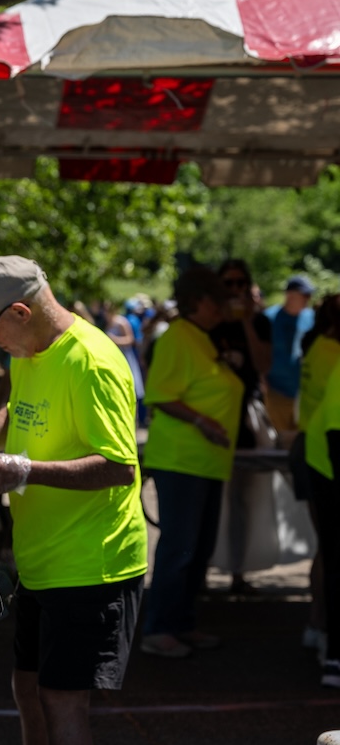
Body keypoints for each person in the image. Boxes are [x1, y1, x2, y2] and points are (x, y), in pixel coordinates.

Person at [0, 256, 147, 745]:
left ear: (21, 311)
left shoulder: (92, 360)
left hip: (93, 562)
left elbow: (119, 466)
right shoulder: (30, 350)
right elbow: (12, 411)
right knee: (27, 688)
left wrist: (24, 471)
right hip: (42, 558)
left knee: (63, 701)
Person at [140, 266, 244, 658]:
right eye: (217, 299)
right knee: (180, 548)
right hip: (182, 461)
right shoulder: (178, 338)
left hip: (205, 462)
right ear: (198, 301)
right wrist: (202, 421)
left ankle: (181, 623)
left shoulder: (199, 337)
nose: (224, 307)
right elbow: (161, 395)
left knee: (196, 549)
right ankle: (159, 628)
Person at [210, 258, 273, 595]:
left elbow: (264, 365)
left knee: (242, 500)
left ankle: (237, 571)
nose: (234, 290)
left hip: (244, 420)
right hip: (209, 419)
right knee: (209, 500)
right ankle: (203, 572)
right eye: (228, 284)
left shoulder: (260, 322)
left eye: (240, 284)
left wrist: (247, 321)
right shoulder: (206, 323)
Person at [297, 293, 340, 664]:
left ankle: (316, 625)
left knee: (325, 548)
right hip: (323, 455)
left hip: (316, 450)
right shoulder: (330, 353)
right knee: (328, 549)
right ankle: (323, 631)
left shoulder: (321, 346)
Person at [264, 274, 317, 443]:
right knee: (280, 440)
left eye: (309, 295)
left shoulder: (312, 318)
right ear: (289, 295)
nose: (308, 299)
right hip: (276, 392)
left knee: (301, 441)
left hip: (303, 394)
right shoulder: (268, 318)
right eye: (304, 294)